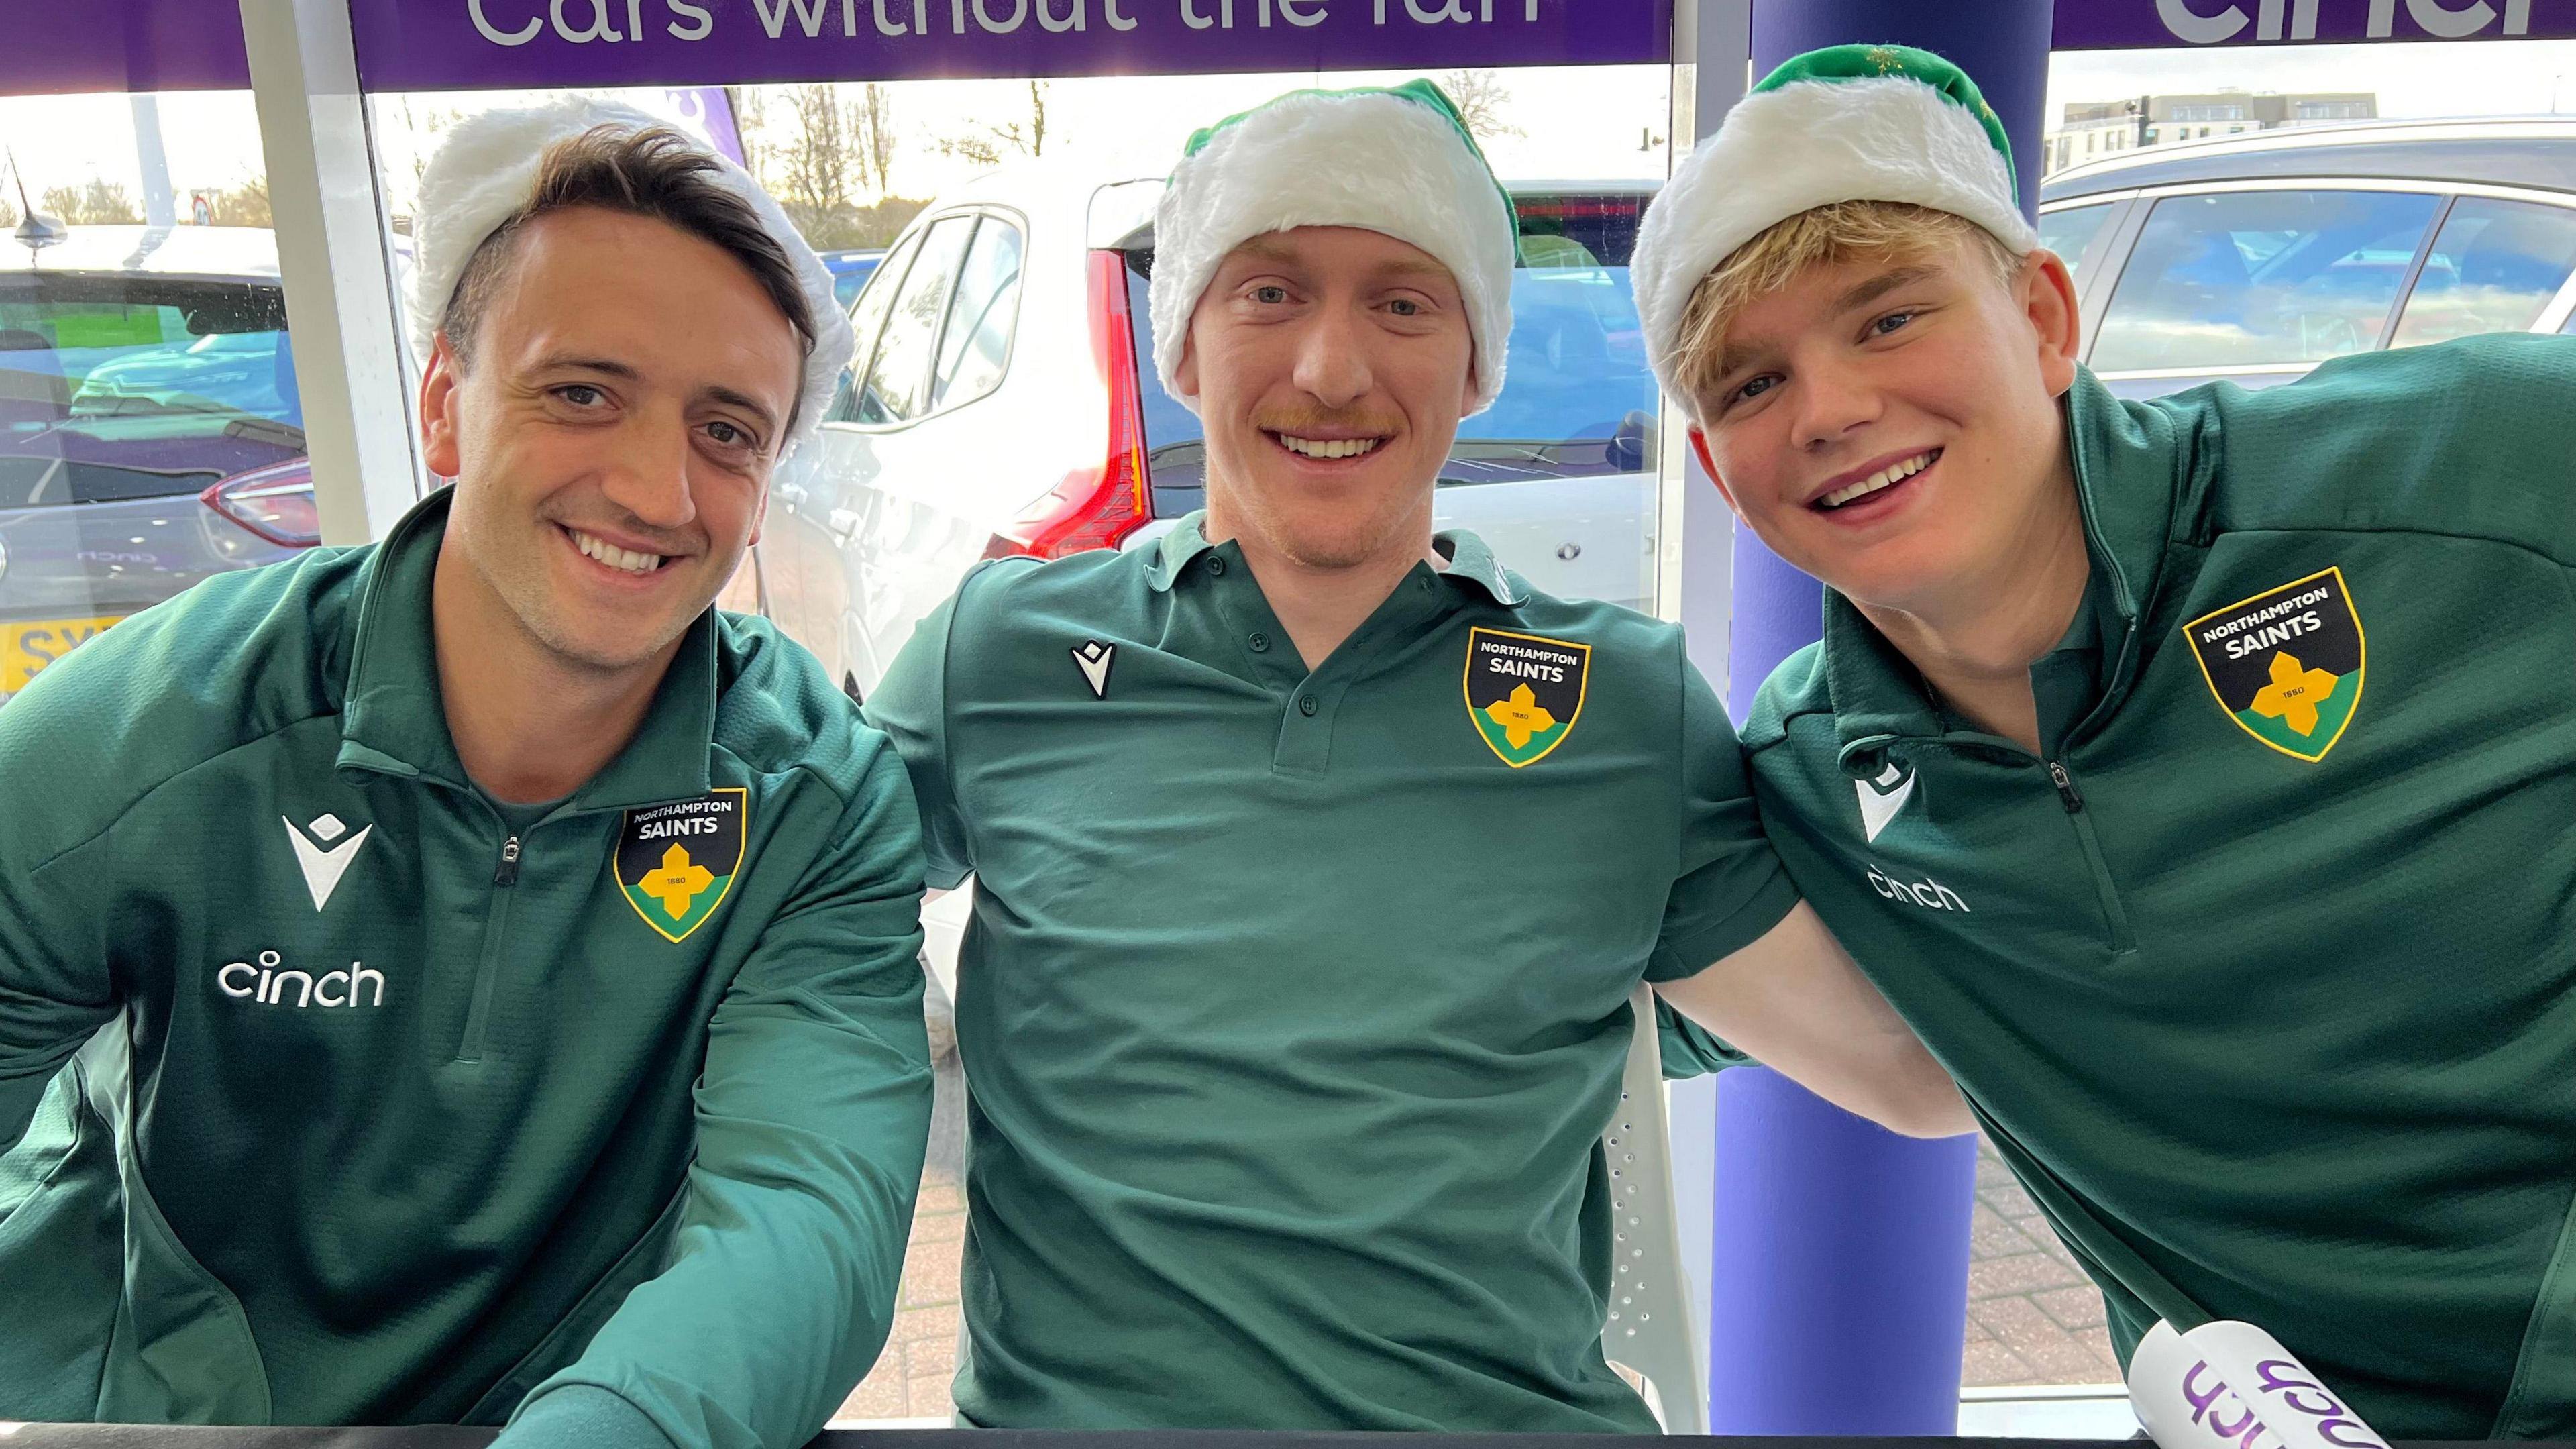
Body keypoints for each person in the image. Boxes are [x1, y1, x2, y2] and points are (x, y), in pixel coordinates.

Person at [865, 79, 1968, 1432]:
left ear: (1477, 363)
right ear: (1185, 348)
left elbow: (1916, 1073)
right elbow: (758, 937)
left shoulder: (1621, 706)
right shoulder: (1001, 655)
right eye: (1268, 292)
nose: (1332, 368)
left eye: (1403, 302)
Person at [1633, 42, 2576, 1439]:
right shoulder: (1806, 782)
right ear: (1717, 470)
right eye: (1751, 386)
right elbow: (1581, 984)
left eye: (1888, 320)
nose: (1830, 409)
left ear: (2044, 314)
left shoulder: (2484, 467)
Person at [0, 100, 933, 1449]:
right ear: (445, 403)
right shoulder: (155, 730)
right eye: (582, 392)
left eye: (728, 430)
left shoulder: (811, 806)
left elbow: (804, 1220)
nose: (659, 490)